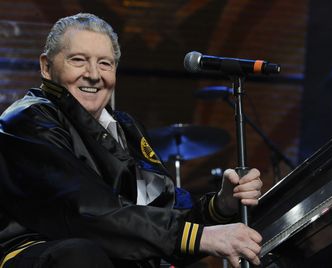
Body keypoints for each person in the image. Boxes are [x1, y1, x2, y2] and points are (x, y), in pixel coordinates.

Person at [0, 13, 263, 268]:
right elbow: (83, 209)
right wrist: (198, 237)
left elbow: (165, 211)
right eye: (78, 60)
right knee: (80, 254)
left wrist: (220, 205)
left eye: (105, 63)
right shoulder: (27, 119)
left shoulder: (126, 127)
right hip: (40, 252)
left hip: (109, 254)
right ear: (46, 66)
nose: (93, 74)